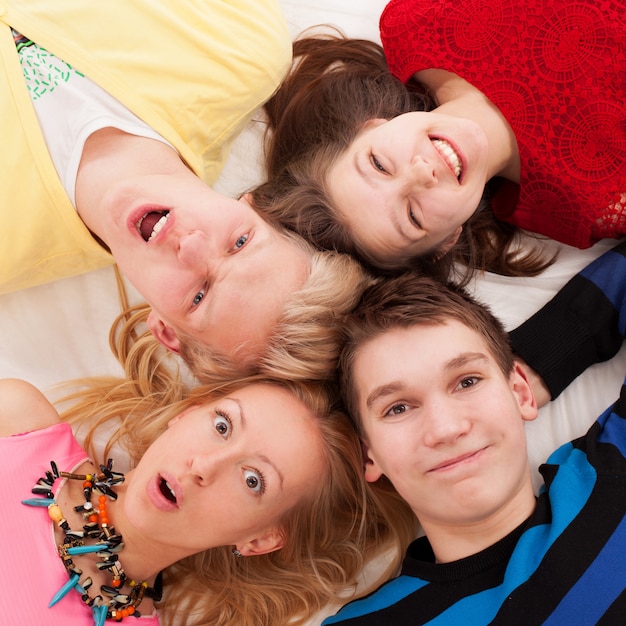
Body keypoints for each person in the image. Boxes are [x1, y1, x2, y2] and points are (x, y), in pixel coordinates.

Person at [2, 0, 374, 380]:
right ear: (257, 205)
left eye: (198, 296)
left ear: (166, 331)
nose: (191, 247)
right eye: (240, 242)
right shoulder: (241, 50)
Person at [321, 271, 626, 624]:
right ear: (368, 455)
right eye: (398, 408)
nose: (446, 429)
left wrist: (542, 368)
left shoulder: (612, 466)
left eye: (467, 381)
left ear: (521, 393)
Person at [251, 0, 625, 283]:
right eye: (412, 217)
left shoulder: (416, 21)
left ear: (371, 126)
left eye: (379, 165)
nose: (421, 173)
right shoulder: (585, 208)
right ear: (448, 241)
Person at [2, 372, 416, 626]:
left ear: (260, 539)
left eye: (253, 480)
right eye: (222, 426)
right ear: (185, 415)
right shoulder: (17, 422)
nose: (205, 465)